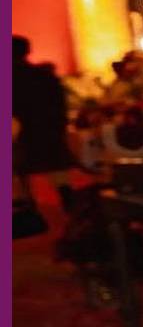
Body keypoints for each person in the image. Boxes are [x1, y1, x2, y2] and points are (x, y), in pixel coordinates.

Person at [12, 36, 76, 209]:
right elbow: (60, 105)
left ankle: (30, 207)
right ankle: (68, 206)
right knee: (57, 171)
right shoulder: (45, 76)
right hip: (49, 129)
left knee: (24, 172)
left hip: (25, 132)